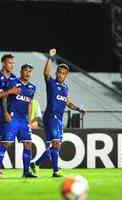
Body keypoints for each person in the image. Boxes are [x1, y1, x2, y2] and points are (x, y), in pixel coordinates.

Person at [30, 49, 87, 177]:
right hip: (50, 117)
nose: (61, 74)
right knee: (55, 143)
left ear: (66, 75)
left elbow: (67, 102)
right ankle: (56, 170)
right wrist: (50, 58)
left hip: (59, 119)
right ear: (56, 73)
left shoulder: (65, 87)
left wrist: (79, 108)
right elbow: (45, 73)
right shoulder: (51, 83)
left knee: (55, 146)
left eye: (63, 73)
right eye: (59, 72)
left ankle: (36, 164)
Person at [0, 64, 37, 178]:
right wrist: (5, 113)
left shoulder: (32, 87)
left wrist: (29, 120)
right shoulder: (13, 82)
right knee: (6, 143)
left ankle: (26, 172)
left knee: (28, 143)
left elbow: (29, 103)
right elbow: (4, 98)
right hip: (13, 117)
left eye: (30, 71)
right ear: (21, 71)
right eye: (26, 71)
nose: (28, 73)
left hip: (23, 120)